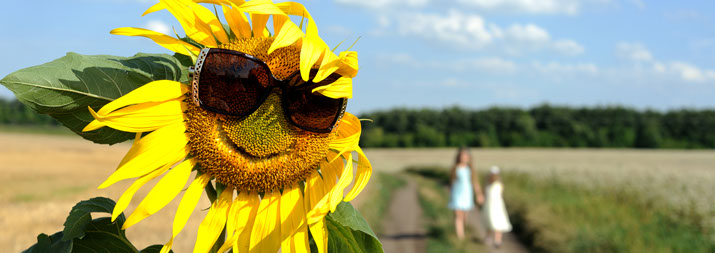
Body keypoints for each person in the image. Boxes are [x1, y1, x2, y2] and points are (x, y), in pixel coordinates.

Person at [448, 147, 485, 240]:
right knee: (458, 214)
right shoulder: (455, 168)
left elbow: (475, 182)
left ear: (468, 158)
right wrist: (451, 194)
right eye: (462, 156)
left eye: (465, 156)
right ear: (458, 157)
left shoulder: (470, 169)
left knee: (464, 216)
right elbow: (452, 182)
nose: (463, 158)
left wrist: (479, 194)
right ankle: (460, 237)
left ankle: (463, 229)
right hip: (457, 194)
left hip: (467, 194)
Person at [483, 166, 512, 248]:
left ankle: (497, 240)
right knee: (490, 221)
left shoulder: (499, 184)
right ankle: (488, 237)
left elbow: (500, 195)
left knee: (498, 222)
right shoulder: (487, 184)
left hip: (497, 206)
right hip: (489, 206)